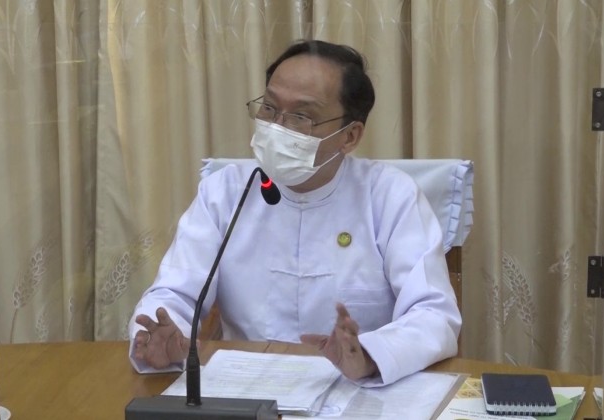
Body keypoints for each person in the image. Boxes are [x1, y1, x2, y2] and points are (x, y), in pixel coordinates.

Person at [128, 40, 461, 386]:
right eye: (270, 109)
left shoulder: (390, 196)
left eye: (302, 116)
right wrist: (164, 337)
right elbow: (174, 294)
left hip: (356, 391)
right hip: (243, 389)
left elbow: (433, 314)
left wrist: (369, 356)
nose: (278, 127)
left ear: (349, 136)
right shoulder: (224, 193)